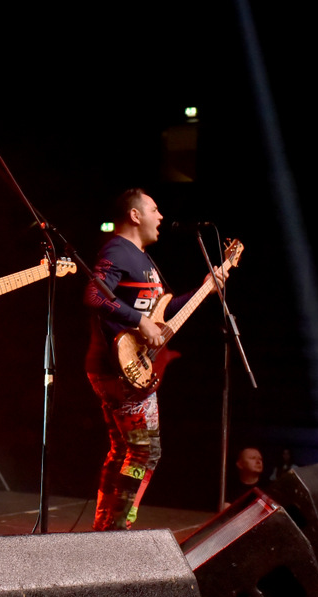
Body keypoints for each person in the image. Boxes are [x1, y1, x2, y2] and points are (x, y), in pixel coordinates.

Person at [84, 188, 222, 530]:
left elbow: (163, 311)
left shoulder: (142, 259)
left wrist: (205, 288)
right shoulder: (117, 250)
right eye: (154, 210)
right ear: (135, 215)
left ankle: (108, 525)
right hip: (118, 369)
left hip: (128, 369)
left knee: (124, 450)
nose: (160, 217)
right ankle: (116, 529)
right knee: (145, 452)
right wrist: (138, 320)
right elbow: (93, 295)